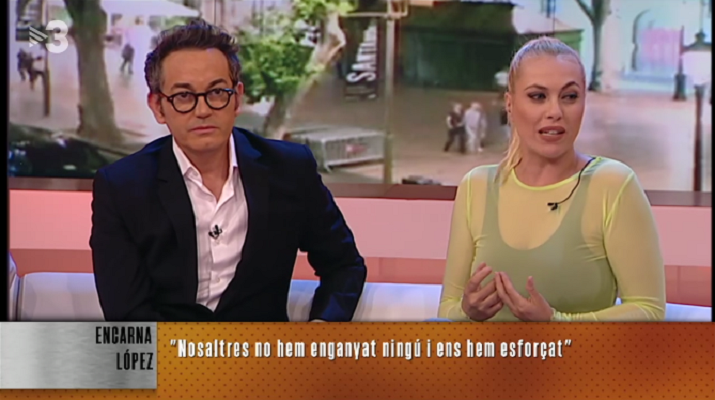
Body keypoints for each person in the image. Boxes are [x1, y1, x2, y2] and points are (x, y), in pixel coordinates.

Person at [90, 19, 367, 322]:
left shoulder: (289, 170)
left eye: (217, 92)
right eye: (184, 96)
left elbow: (344, 266)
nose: (203, 110)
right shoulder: (122, 187)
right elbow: (128, 315)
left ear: (236, 98)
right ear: (158, 107)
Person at [438, 37, 665, 322]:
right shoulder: (476, 186)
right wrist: (467, 312)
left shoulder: (613, 185)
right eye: (538, 96)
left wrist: (557, 324)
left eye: (569, 97)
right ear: (510, 104)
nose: (555, 112)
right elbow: (446, 310)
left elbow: (649, 310)